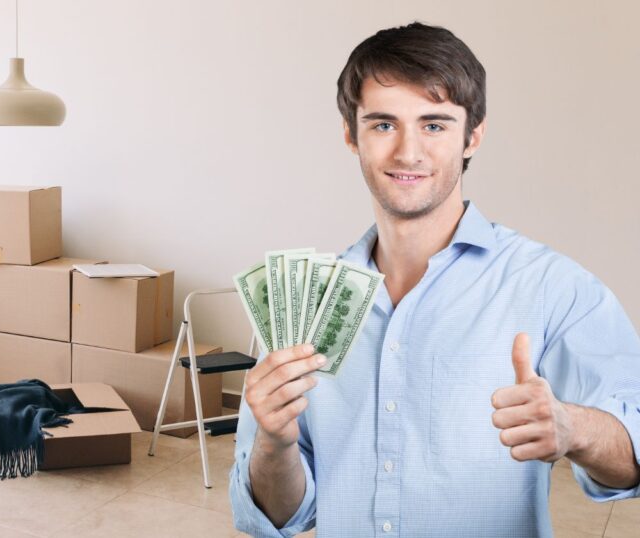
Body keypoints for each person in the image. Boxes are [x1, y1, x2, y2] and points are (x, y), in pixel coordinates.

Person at [229, 21, 640, 537]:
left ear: (474, 135)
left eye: (434, 124)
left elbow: (635, 451)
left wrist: (573, 428)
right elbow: (278, 517)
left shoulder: (552, 286)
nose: (408, 152)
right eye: (383, 124)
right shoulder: (308, 304)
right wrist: (274, 442)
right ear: (350, 135)